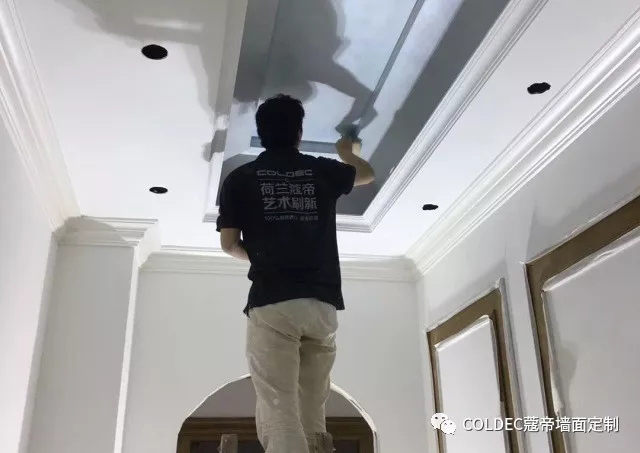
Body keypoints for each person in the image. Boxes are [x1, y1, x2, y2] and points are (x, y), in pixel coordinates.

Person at [216, 94, 375, 453]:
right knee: (312, 405)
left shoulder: (240, 179)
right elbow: (366, 174)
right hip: (322, 305)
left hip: (273, 303)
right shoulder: (320, 170)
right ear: (299, 133)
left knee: (279, 407)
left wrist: (261, 260)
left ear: (261, 133)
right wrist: (347, 152)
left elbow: (229, 244)